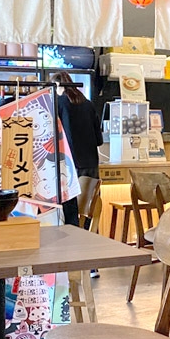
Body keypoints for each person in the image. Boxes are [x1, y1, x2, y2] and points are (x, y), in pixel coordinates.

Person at [52, 71, 103, 229]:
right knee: (89, 210)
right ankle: (91, 241)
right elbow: (99, 140)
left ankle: (72, 247)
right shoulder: (88, 104)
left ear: (57, 86)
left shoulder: (58, 103)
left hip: (69, 165)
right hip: (91, 165)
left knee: (71, 213)